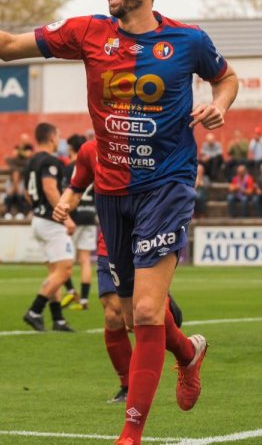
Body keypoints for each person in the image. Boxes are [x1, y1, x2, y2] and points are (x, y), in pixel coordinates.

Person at [0, 0, 237, 444]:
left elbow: (225, 77)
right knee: (134, 312)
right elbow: (7, 47)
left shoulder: (188, 40)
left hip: (167, 186)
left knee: (145, 313)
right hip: (113, 193)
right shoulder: (89, 31)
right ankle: (188, 352)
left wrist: (219, 104)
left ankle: (130, 435)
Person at [54, 134, 189, 404]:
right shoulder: (89, 150)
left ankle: (184, 350)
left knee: (143, 314)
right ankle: (127, 385)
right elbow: (76, 187)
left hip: (147, 236)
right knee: (114, 314)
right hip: (110, 242)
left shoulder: (148, 139)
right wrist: (64, 204)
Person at [20, 122, 77, 333]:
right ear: (52, 137)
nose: (59, 139)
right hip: (51, 222)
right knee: (64, 270)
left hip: (38, 220)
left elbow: (27, 193)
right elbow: (50, 188)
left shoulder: (31, 162)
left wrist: (38, 208)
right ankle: (35, 310)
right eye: (58, 135)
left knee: (54, 272)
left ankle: (58, 319)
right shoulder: (50, 161)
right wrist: (66, 218)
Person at [64, 134, 97, 311]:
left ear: (71, 148)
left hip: (73, 217)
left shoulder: (70, 168)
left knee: (65, 259)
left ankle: (71, 291)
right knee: (85, 260)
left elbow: (67, 192)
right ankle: (83, 301)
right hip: (90, 215)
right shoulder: (92, 164)